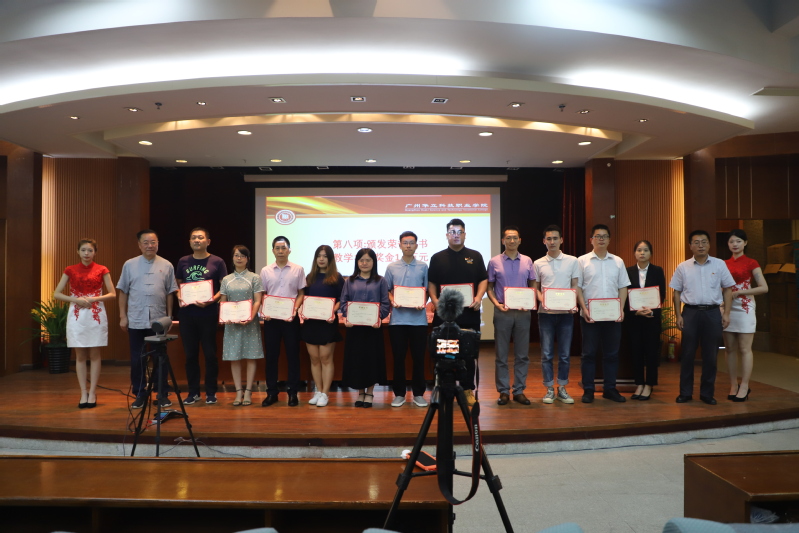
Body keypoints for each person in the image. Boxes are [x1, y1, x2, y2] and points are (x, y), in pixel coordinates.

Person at [670, 230, 735, 405]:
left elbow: (728, 289)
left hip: (712, 313)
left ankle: (707, 393)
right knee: (687, 354)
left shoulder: (719, 264)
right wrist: (678, 315)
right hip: (690, 313)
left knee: (711, 356)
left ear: (709, 244)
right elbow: (676, 292)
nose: (700, 245)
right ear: (690, 246)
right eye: (696, 242)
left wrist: (726, 313)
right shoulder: (683, 267)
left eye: (704, 242)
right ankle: (685, 393)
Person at [428, 218, 488, 406]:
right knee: (444, 352)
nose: (456, 235)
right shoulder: (437, 258)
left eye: (459, 232)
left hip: (469, 313)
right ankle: (443, 389)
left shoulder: (475, 256)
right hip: (444, 315)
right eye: (452, 232)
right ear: (447, 235)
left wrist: (478, 297)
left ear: (465, 234)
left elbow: (483, 279)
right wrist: (435, 301)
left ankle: (467, 389)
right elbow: (431, 283)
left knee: (468, 353)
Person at [117, 230, 178, 409]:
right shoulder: (129, 265)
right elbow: (123, 291)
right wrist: (122, 316)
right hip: (136, 319)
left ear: (158, 244)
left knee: (160, 357)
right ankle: (140, 393)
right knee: (137, 358)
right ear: (139, 245)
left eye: (153, 242)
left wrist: (169, 317)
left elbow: (170, 293)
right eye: (146, 242)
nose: (150, 245)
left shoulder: (167, 265)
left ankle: (162, 394)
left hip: (159, 320)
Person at [53, 239, 116, 408]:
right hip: (77, 314)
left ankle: (93, 392)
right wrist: (76, 299)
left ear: (95, 252)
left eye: (90, 250)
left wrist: (94, 298)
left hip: (96, 314)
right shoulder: (70, 270)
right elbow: (57, 293)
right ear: (78, 252)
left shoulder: (102, 269)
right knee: (80, 355)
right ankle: (83, 392)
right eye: (83, 250)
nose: (86, 253)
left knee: (95, 354)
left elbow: (112, 294)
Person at [576, 224, 630, 404]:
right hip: (589, 316)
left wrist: (620, 309)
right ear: (591, 239)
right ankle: (588, 389)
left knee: (612, 354)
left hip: (613, 316)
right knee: (589, 354)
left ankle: (610, 389)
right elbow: (578, 288)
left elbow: (623, 287)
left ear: (609, 240)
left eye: (604, 236)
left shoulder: (618, 261)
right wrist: (584, 309)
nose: (601, 239)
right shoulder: (582, 261)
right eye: (597, 236)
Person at [176, 227, 228, 405]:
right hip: (187, 315)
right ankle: (193, 392)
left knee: (210, 354)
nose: (197, 240)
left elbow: (223, 288)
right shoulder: (183, 261)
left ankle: (211, 392)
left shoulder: (217, 261)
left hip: (208, 313)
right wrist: (180, 296)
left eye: (200, 237)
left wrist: (211, 300)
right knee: (190, 355)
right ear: (190, 241)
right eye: (193, 238)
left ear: (208, 241)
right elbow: (178, 284)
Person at [486, 226, 536, 406]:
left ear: (520, 240)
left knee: (522, 355)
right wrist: (496, 304)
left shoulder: (528, 261)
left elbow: (533, 283)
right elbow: (489, 287)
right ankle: (503, 391)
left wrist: (530, 300)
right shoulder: (494, 262)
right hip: (503, 311)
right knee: (501, 354)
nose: (512, 241)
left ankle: (519, 390)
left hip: (523, 312)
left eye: (515, 237)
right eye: (508, 238)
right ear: (503, 241)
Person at [533, 225, 580, 405]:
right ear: (544, 241)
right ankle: (549, 388)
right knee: (546, 354)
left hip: (566, 314)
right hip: (546, 314)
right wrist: (543, 300)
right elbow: (535, 288)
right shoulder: (538, 263)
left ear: (561, 240)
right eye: (548, 239)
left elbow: (575, 285)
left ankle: (562, 387)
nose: (552, 242)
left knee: (565, 354)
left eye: (555, 238)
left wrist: (573, 302)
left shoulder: (572, 261)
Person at [340, 248, 391, 408]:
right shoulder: (349, 281)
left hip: (373, 329)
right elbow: (343, 302)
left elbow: (385, 303)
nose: (364, 263)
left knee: (371, 360)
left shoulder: (381, 281)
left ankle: (369, 393)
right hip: (354, 328)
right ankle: (360, 392)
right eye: (361, 260)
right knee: (357, 361)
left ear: (373, 262)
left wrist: (379, 318)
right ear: (357, 262)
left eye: (368, 260)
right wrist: (348, 316)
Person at [259, 236, 306, 407]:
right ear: (273, 250)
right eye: (277, 248)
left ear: (289, 250)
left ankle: (293, 393)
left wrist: (295, 309)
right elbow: (262, 294)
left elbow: (301, 293)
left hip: (290, 319)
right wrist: (264, 310)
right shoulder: (265, 271)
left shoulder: (298, 269)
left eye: (283, 248)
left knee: (293, 355)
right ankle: (272, 392)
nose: (280, 251)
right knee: (271, 356)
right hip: (271, 320)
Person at [385, 231, 429, 408]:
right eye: (405, 243)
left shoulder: (423, 266)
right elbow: (387, 290)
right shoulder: (391, 267)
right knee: (398, 358)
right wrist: (393, 300)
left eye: (411, 243)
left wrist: (422, 301)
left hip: (419, 321)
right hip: (398, 321)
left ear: (417, 245)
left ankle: (418, 394)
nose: (408, 245)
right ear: (400, 245)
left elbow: (426, 290)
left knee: (419, 358)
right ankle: (399, 394)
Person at [723, 229, 768, 402]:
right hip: (727, 307)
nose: (735, 244)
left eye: (738, 241)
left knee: (744, 348)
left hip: (745, 307)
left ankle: (744, 385)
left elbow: (763, 287)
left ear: (745, 243)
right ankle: (733, 384)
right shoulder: (723, 264)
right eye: (731, 241)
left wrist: (741, 292)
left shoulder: (751, 262)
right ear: (728, 244)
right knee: (729, 348)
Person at [219, 246, 264, 407]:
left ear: (248, 259)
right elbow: (223, 301)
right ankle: (238, 391)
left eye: (242, 256)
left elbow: (258, 300)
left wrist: (250, 316)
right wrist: (225, 316)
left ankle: (249, 391)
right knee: (234, 357)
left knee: (251, 356)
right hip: (232, 324)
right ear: (232, 258)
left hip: (250, 323)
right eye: (236, 255)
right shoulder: (226, 279)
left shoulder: (254, 277)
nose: (239, 258)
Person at [302, 245, 345, 408]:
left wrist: (331, 311)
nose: (321, 259)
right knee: (314, 359)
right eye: (319, 256)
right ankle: (318, 391)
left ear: (330, 259)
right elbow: (304, 298)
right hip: (311, 323)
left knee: (326, 358)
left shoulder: (337, 278)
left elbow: (342, 299)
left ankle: (325, 393)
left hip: (327, 322)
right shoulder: (310, 277)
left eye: (325, 256)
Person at [624, 240, 666, 401]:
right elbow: (625, 294)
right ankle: (639, 383)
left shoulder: (657, 270)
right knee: (636, 352)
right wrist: (635, 311)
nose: (642, 253)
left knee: (651, 353)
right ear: (634, 253)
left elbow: (661, 294)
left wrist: (651, 310)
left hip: (651, 318)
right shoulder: (628, 271)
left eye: (646, 250)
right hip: (634, 319)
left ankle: (649, 384)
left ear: (651, 253)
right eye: (639, 250)